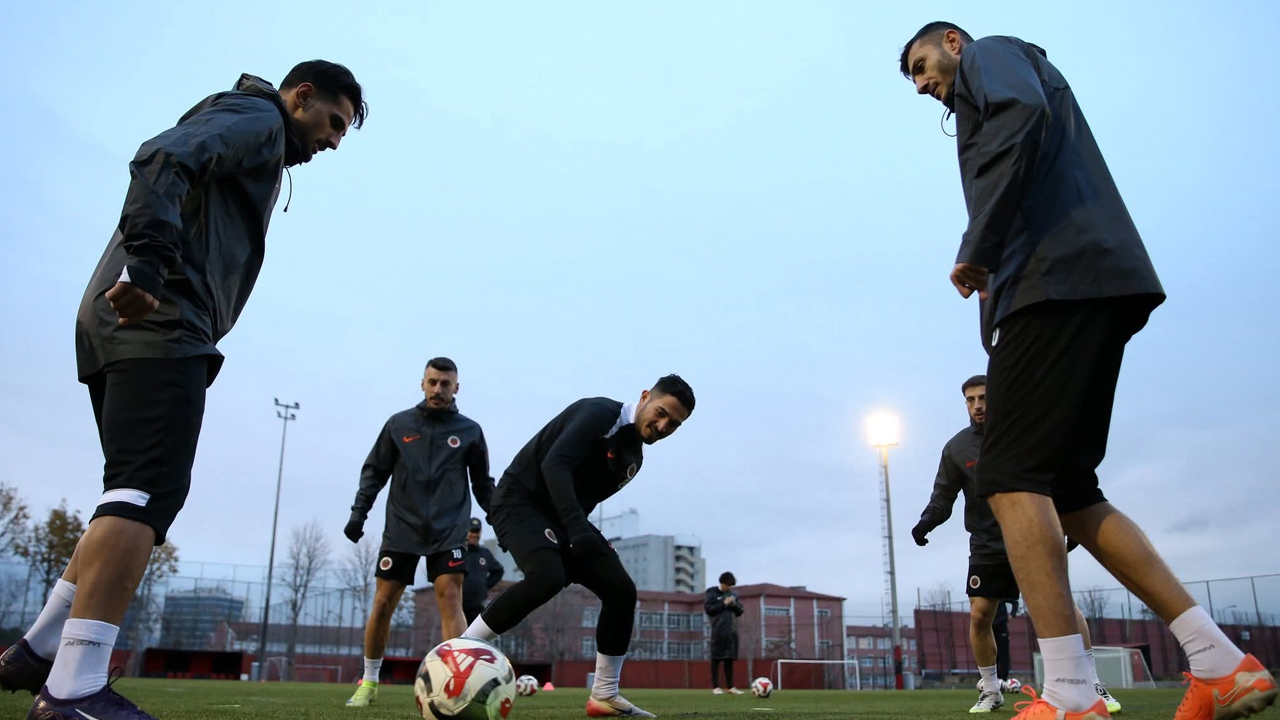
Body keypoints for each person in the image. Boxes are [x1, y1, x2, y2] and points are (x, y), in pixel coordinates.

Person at [900, 21, 1276, 720]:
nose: (921, 84)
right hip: (1087, 283)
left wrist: (978, 248)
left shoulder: (992, 56)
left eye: (921, 65)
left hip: (1057, 281)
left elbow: (1022, 117)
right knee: (1070, 489)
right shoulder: (978, 96)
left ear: (952, 41)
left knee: (1009, 475)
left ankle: (1072, 694)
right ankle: (1220, 662)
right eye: (914, 81)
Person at [0, 61, 366, 720]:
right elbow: (163, 156)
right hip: (158, 314)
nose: (334, 141)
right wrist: (147, 258)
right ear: (301, 97)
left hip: (130, 318)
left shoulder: (255, 132)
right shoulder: (256, 117)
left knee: (127, 489)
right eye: (333, 122)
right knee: (147, 489)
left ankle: (40, 647)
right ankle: (73, 689)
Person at [461, 375, 695, 718]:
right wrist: (577, 529)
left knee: (621, 590)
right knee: (547, 576)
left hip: (562, 518)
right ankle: (462, 650)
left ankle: (604, 695)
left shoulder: (633, 459)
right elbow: (555, 464)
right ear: (645, 396)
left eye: (673, 424)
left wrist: (584, 537)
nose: (662, 425)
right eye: (660, 413)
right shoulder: (600, 412)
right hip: (518, 501)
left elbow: (582, 499)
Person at [912, 376, 1120, 714]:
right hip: (986, 545)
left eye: (983, 397)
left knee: (1064, 609)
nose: (977, 405)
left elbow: (1056, 479)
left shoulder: (1024, 433)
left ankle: (1091, 684)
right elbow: (943, 495)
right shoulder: (956, 448)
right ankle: (992, 690)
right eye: (970, 400)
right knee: (980, 616)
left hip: (1032, 536)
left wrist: (1068, 523)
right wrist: (927, 522)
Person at [342, 358, 496, 708]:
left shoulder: (470, 430)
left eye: (445, 383)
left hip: (449, 528)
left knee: (450, 598)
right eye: (432, 382)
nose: (438, 389)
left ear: (456, 388)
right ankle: (368, 682)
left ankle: (456, 684)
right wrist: (358, 513)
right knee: (383, 603)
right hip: (402, 528)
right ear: (422, 383)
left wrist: (500, 520)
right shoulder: (399, 425)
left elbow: (483, 484)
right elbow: (374, 473)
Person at [704, 572, 745, 695]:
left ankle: (730, 687)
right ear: (722, 583)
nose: (729, 588)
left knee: (729, 660)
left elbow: (740, 611)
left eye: (731, 586)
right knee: (716, 659)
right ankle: (716, 686)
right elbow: (709, 609)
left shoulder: (733, 594)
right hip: (718, 631)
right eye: (728, 585)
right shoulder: (711, 592)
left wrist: (733, 604)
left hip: (731, 632)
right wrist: (723, 603)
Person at [462, 517, 505, 624]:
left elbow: (498, 571)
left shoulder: (485, 553)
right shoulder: (460, 552)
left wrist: (485, 585)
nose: (474, 535)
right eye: (472, 531)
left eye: (477, 531)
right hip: (461, 605)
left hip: (478, 604)